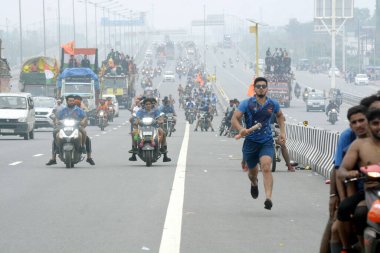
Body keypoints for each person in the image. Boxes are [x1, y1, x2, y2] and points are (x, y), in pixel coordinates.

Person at [231, 77, 285, 210]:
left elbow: (280, 116)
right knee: (252, 173)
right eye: (258, 86)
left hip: (266, 141)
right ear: (254, 89)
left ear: (267, 89)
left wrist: (282, 133)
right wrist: (241, 129)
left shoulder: (273, 104)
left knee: (266, 167)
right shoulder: (246, 103)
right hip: (250, 143)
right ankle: (254, 183)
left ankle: (268, 198)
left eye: (263, 86)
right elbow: (234, 119)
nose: (261, 88)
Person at [337, 109, 380, 252]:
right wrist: (350, 173)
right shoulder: (358, 145)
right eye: (375, 124)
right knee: (352, 211)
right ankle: (353, 247)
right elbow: (341, 170)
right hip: (370, 190)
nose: (378, 127)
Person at [46, 95, 94, 165]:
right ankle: (54, 157)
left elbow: (85, 117)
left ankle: (87, 154)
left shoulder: (78, 110)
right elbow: (56, 117)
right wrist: (56, 121)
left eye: (73, 101)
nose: (71, 102)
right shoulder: (63, 110)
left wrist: (83, 121)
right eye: (70, 101)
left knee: (84, 133)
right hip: (63, 126)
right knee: (55, 133)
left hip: (77, 126)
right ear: (67, 101)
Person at [129, 98, 171, 162]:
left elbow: (160, 116)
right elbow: (137, 118)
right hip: (142, 128)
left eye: (149, 104)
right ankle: (134, 150)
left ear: (151, 105)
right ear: (144, 105)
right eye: (146, 104)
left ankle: (164, 153)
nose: (148, 105)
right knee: (134, 133)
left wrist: (161, 120)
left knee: (163, 132)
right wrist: (136, 121)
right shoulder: (141, 111)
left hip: (154, 127)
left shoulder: (156, 110)